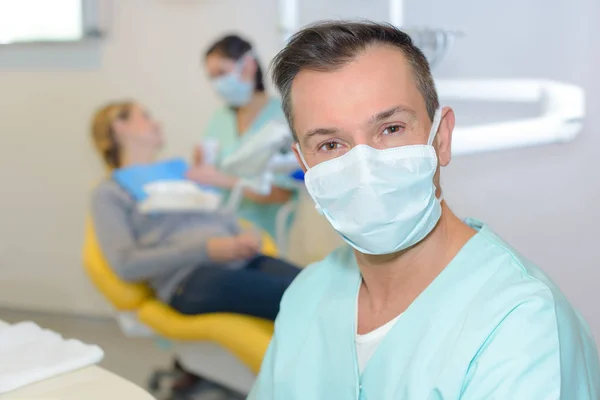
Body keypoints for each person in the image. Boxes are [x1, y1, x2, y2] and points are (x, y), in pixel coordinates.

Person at [248, 21, 600, 399]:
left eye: (391, 129)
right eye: (331, 145)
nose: (364, 167)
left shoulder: (520, 322)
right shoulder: (308, 295)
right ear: (305, 167)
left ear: (441, 138)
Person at [89, 100, 300, 322]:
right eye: (145, 116)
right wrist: (206, 250)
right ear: (119, 126)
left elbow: (224, 218)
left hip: (243, 260)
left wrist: (247, 237)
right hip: (189, 278)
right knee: (294, 298)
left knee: (319, 286)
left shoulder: (183, 174)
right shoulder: (110, 192)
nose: (157, 123)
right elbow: (126, 264)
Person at [187, 34, 298, 239]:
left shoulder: (283, 117)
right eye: (212, 77)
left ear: (247, 66)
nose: (217, 83)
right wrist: (202, 167)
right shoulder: (220, 118)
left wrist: (227, 181)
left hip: (264, 237)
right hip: (219, 229)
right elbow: (210, 176)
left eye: (222, 73)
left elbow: (284, 194)